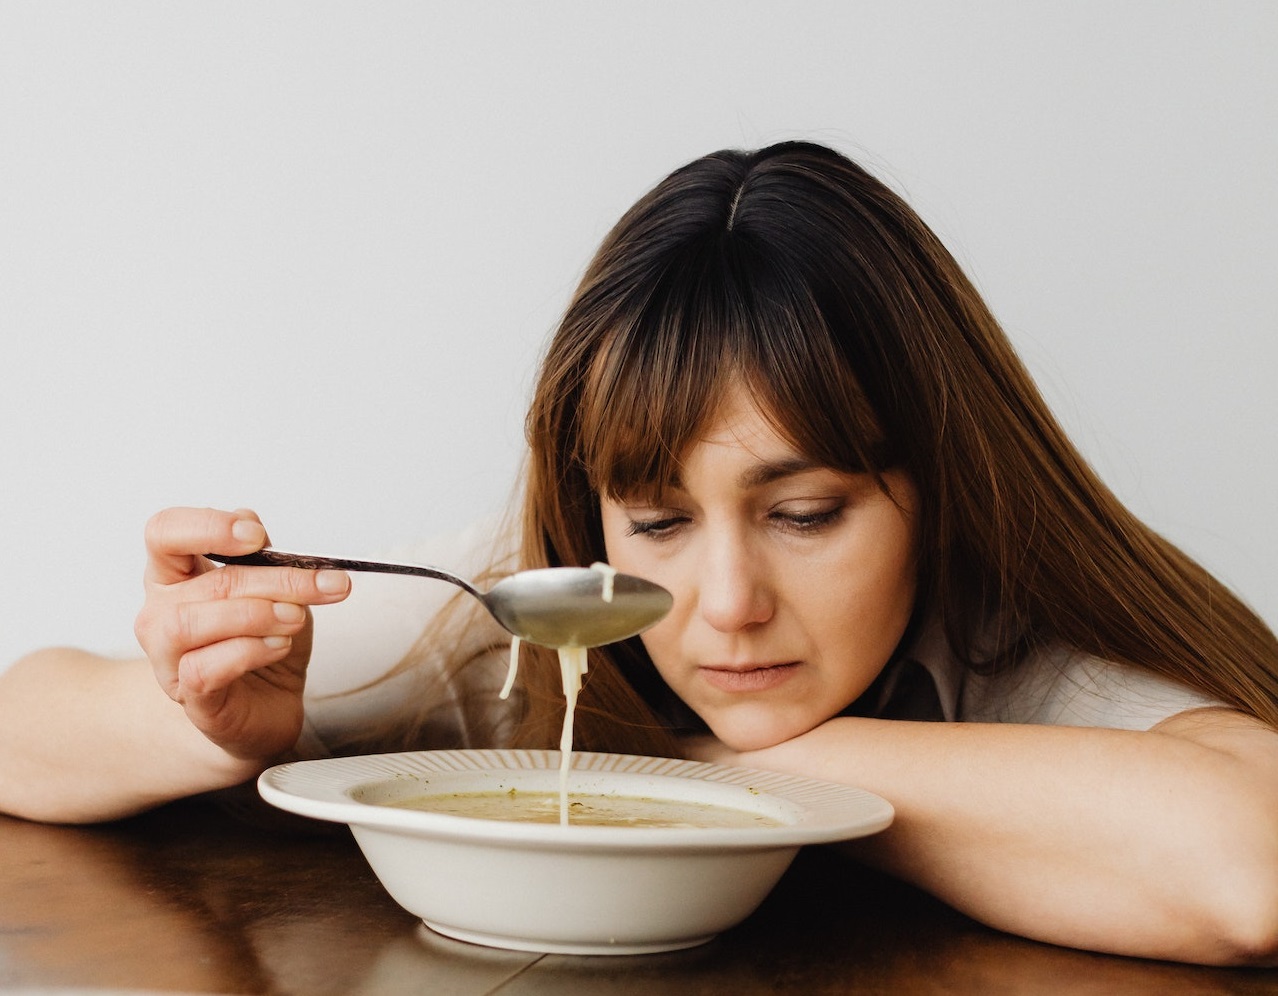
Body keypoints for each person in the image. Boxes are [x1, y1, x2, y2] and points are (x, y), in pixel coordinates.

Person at [3, 141, 1277, 965]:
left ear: (936, 489)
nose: (726, 605)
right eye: (657, 520)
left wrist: (721, 768)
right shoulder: (516, 605)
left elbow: (1248, 865)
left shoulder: (1016, 642)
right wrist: (210, 725)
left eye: (806, 513)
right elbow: (21, 728)